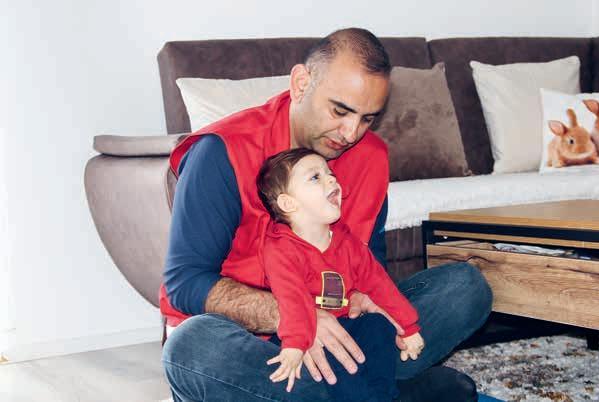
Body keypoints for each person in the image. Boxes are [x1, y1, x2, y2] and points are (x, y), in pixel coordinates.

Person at [161, 27, 492, 401]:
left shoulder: (370, 158)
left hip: (344, 334)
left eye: (368, 118)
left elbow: (369, 267)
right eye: (340, 110)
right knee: (192, 348)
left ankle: (352, 390)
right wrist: (295, 316)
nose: (351, 133)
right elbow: (184, 282)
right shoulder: (221, 152)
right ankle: (378, 392)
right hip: (258, 345)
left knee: (465, 287)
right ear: (301, 83)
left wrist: (369, 304)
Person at [257, 148, 423, 401]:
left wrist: (408, 327)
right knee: (339, 366)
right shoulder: (280, 248)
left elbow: (379, 283)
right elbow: (292, 299)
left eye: (330, 174)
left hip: (345, 323)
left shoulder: (347, 241)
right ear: (288, 203)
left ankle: (384, 395)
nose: (331, 180)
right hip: (303, 335)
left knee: (378, 324)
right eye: (315, 177)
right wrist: (295, 344)